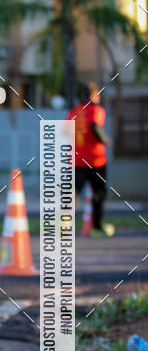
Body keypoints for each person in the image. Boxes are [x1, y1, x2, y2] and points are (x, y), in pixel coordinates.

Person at [67, 82, 114, 237]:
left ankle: (65, 227)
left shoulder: (74, 112)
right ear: (93, 95)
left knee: (73, 194)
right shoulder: (96, 110)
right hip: (95, 161)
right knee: (98, 194)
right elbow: (95, 127)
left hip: (76, 161)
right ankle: (97, 227)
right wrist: (105, 140)